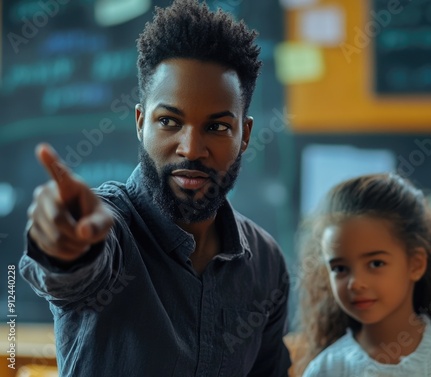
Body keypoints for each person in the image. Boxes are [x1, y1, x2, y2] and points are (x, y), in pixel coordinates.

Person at [19, 1, 291, 376]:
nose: (191, 148)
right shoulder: (111, 229)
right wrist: (65, 247)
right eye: (169, 121)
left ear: (244, 135)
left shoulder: (265, 263)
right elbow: (74, 271)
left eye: (217, 127)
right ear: (140, 123)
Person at [295, 173, 431, 377]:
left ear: (416, 264)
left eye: (375, 263)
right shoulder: (325, 369)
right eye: (340, 269)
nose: (356, 283)